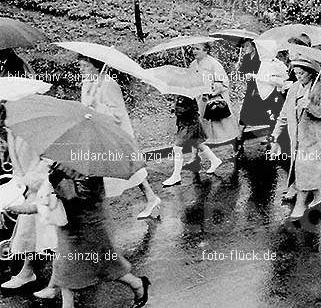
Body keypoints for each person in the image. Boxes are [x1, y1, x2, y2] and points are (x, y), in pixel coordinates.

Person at [47, 163, 150, 308]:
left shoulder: (90, 166)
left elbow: (77, 196)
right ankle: (67, 305)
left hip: (88, 228)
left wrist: (58, 180)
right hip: (70, 228)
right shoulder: (67, 161)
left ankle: (137, 284)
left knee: (106, 266)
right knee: (66, 268)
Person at [78, 56, 161, 220]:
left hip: (115, 136)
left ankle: (151, 198)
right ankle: (96, 210)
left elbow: (118, 115)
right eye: (79, 66)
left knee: (128, 168)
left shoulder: (108, 84)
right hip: (97, 135)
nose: (81, 69)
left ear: (95, 66)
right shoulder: (87, 84)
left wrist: (97, 107)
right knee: (102, 169)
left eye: (85, 66)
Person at [0, 104, 58, 299]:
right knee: (31, 233)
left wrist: (32, 180)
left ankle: (56, 284)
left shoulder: (34, 128)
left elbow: (49, 159)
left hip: (47, 188)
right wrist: (19, 185)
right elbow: (18, 166)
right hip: (31, 189)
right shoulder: (12, 131)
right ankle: (27, 271)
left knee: (55, 238)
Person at [270, 57, 321, 220]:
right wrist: (275, 135)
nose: (299, 76)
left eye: (302, 73)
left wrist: (311, 106)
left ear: (311, 73)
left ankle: (299, 206)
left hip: (316, 139)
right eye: (296, 73)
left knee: (305, 171)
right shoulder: (293, 88)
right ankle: (318, 197)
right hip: (298, 138)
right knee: (309, 171)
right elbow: (284, 114)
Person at [189, 43, 240, 163]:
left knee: (226, 126)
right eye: (193, 49)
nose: (194, 51)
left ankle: (236, 147)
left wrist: (213, 90)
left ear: (206, 50)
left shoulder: (213, 64)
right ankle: (194, 156)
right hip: (199, 100)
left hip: (215, 101)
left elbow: (223, 81)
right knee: (197, 127)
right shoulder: (193, 64)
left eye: (197, 49)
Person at [162, 95, 218, 187]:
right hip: (186, 124)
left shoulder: (189, 96)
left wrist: (178, 110)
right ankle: (215, 160)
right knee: (198, 144)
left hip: (190, 125)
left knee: (177, 148)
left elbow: (193, 110)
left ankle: (176, 176)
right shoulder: (180, 94)